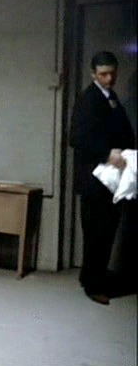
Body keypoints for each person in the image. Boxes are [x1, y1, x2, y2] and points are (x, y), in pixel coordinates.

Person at [70, 51, 136, 305]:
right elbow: (76, 138)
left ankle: (91, 276)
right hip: (94, 180)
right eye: (103, 74)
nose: (109, 78)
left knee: (105, 231)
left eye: (112, 73)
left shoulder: (110, 97)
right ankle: (93, 285)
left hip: (107, 179)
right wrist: (107, 154)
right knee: (97, 233)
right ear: (93, 74)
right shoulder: (89, 99)